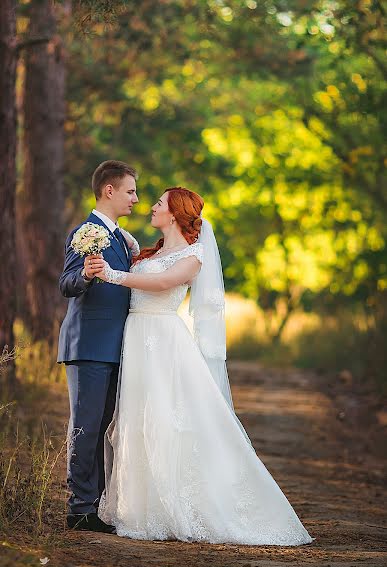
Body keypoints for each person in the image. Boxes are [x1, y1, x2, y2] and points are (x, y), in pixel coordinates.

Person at [91, 186, 314, 545]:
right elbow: (147, 270)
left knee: (169, 418)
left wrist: (114, 276)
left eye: (159, 203)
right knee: (138, 417)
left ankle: (179, 504)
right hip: (137, 337)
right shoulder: (153, 250)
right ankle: (142, 506)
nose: (151, 206)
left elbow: (164, 282)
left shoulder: (194, 256)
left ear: (175, 213)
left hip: (163, 339)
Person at [57, 160, 139, 533]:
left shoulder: (122, 237)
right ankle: (79, 509)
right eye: (130, 191)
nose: (136, 199)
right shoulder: (87, 232)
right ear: (110, 190)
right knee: (86, 427)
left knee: (104, 427)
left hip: (115, 347)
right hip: (89, 345)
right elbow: (67, 283)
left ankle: (95, 505)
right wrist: (86, 275)